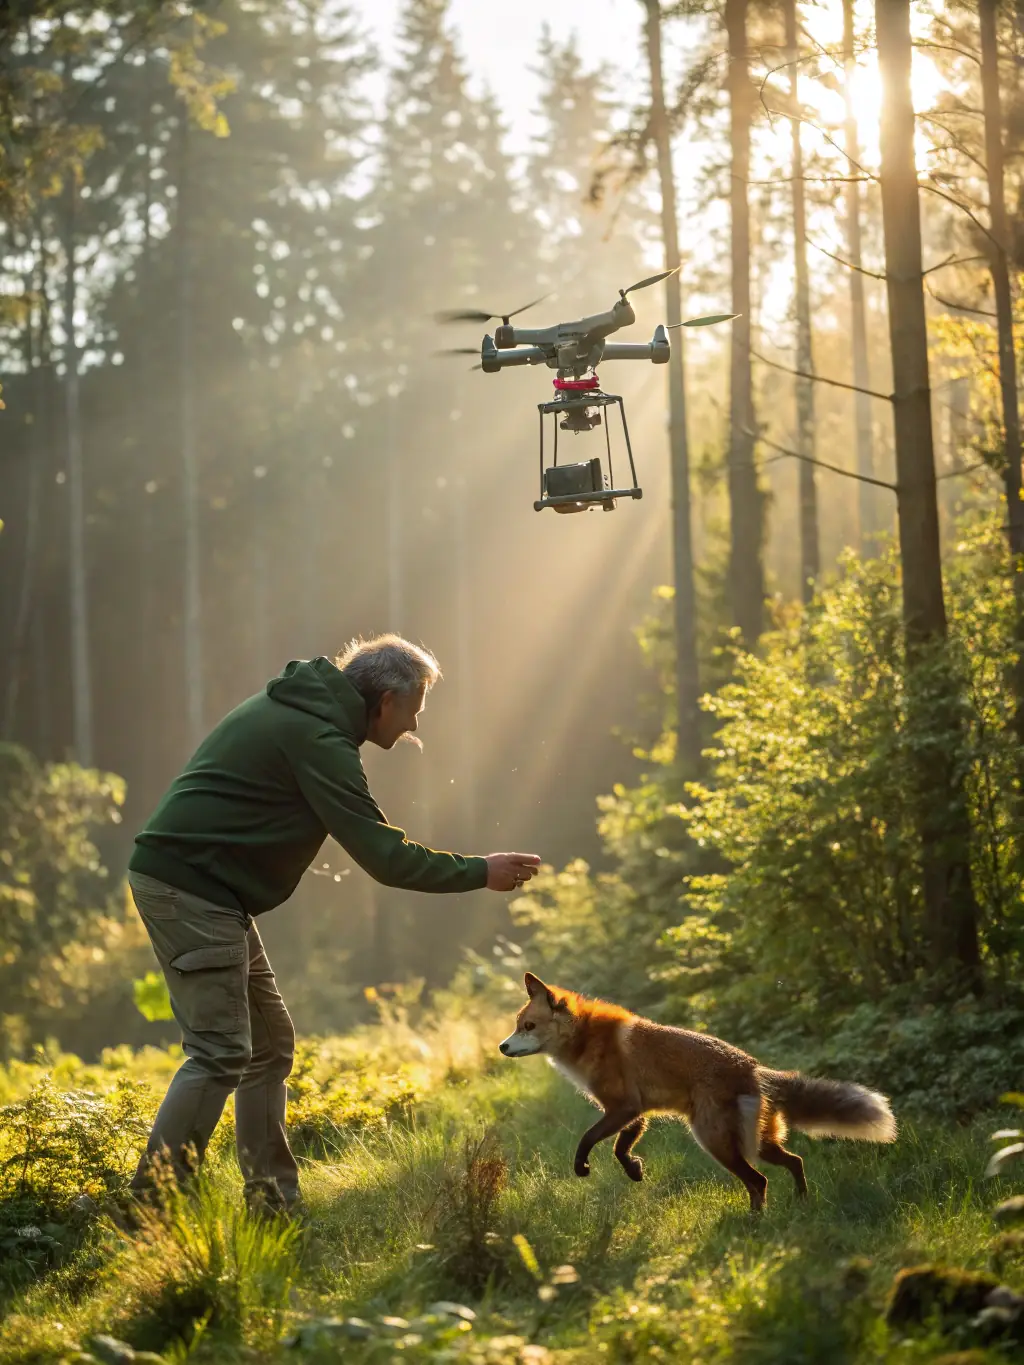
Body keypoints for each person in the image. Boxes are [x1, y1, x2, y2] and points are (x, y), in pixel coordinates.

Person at [126, 634, 541, 1213]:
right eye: (415, 711)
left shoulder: (303, 712)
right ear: (388, 699)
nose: (414, 728)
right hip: (190, 889)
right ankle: (147, 1210)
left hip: (209, 889)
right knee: (221, 1050)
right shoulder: (318, 736)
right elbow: (387, 858)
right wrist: (481, 871)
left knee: (268, 1048)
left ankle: (273, 1203)